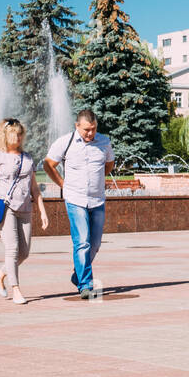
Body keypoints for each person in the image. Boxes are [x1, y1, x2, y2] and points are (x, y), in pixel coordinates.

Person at [43, 109, 115, 299]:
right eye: (86, 130)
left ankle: (78, 274)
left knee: (95, 244)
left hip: (97, 199)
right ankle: (85, 284)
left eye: (93, 129)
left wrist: (98, 178)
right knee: (82, 242)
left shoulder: (104, 142)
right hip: (75, 199)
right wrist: (62, 184)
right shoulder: (65, 142)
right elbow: (48, 164)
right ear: (77, 126)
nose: (90, 133)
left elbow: (109, 164)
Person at [0, 118, 49, 305]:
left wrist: (43, 211)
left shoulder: (27, 157)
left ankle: (0, 273)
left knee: (24, 252)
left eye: (20, 134)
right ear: (5, 135)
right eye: (14, 134)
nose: (18, 138)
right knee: (12, 250)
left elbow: (34, 188)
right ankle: (16, 289)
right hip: (5, 205)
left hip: (25, 207)